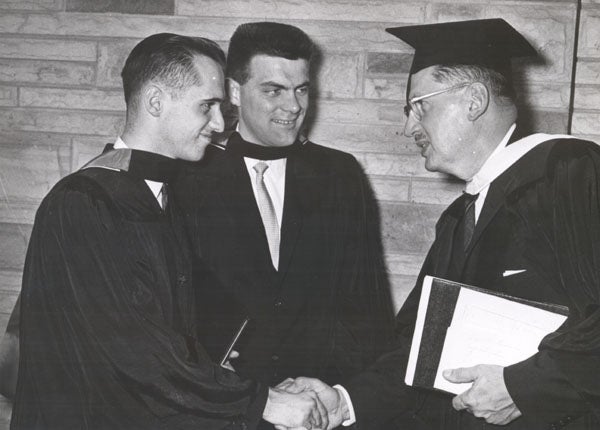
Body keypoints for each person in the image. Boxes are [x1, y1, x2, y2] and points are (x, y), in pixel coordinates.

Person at [282, 18, 600, 429]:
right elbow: (419, 350)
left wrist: (524, 387)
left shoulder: (569, 172)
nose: (408, 126)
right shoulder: (459, 217)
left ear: (473, 100)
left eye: (420, 106)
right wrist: (345, 402)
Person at [9, 32, 330, 430]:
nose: (219, 124)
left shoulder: (161, 196)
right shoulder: (83, 202)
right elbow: (135, 354)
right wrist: (260, 402)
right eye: (207, 107)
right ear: (156, 102)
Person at [173, 22, 395, 429]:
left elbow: (368, 307)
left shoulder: (340, 175)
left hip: (320, 412)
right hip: (222, 412)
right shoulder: (188, 176)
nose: (293, 106)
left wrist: (335, 398)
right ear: (235, 92)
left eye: (302, 89)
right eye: (273, 90)